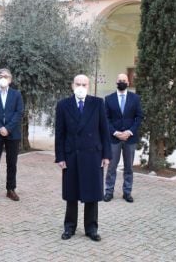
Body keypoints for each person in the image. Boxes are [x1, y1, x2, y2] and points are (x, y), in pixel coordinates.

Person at [55, 74, 110, 242]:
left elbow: (104, 130)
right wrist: (60, 157)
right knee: (71, 193)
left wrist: (106, 154)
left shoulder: (97, 103)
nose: (80, 87)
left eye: (84, 84)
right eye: (77, 84)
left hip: (93, 154)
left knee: (92, 192)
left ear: (88, 85)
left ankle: (91, 228)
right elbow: (60, 133)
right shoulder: (63, 105)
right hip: (72, 154)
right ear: (72, 85)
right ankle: (69, 227)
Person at [0, 68, 24, 201]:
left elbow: (19, 113)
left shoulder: (16, 94)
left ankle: (10, 189)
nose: (3, 78)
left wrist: (8, 128)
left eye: (6, 76)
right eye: (1, 76)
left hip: (13, 134)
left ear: (10, 79)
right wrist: (0, 127)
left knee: (12, 163)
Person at [103, 73, 143, 203]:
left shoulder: (135, 98)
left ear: (128, 82)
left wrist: (129, 132)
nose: (122, 82)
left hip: (129, 139)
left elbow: (139, 117)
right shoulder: (108, 99)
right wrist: (115, 132)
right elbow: (105, 119)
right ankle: (109, 192)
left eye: (124, 80)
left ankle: (127, 192)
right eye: (120, 80)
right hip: (114, 138)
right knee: (111, 167)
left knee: (129, 168)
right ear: (116, 82)